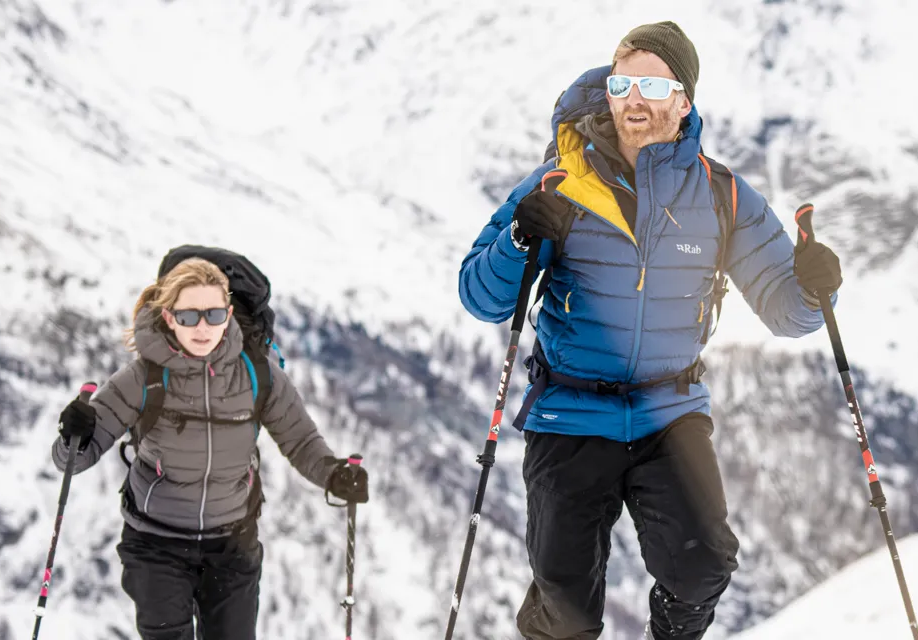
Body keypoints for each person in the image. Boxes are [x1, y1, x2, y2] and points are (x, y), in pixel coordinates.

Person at [456, 21, 845, 640]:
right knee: (565, 609)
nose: (633, 99)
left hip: (671, 413)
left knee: (703, 567)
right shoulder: (560, 182)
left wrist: (814, 285)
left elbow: (788, 313)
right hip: (569, 413)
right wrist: (520, 237)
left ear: (683, 101)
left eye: (652, 86)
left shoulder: (722, 196)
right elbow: (480, 297)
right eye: (622, 85)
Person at [51, 255, 370, 639]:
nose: (202, 328)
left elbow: (300, 441)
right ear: (169, 317)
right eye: (188, 317)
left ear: (229, 314)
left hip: (232, 544)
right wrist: (75, 434)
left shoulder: (258, 376)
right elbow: (74, 458)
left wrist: (335, 475)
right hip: (156, 544)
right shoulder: (143, 378)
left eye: (214, 315)